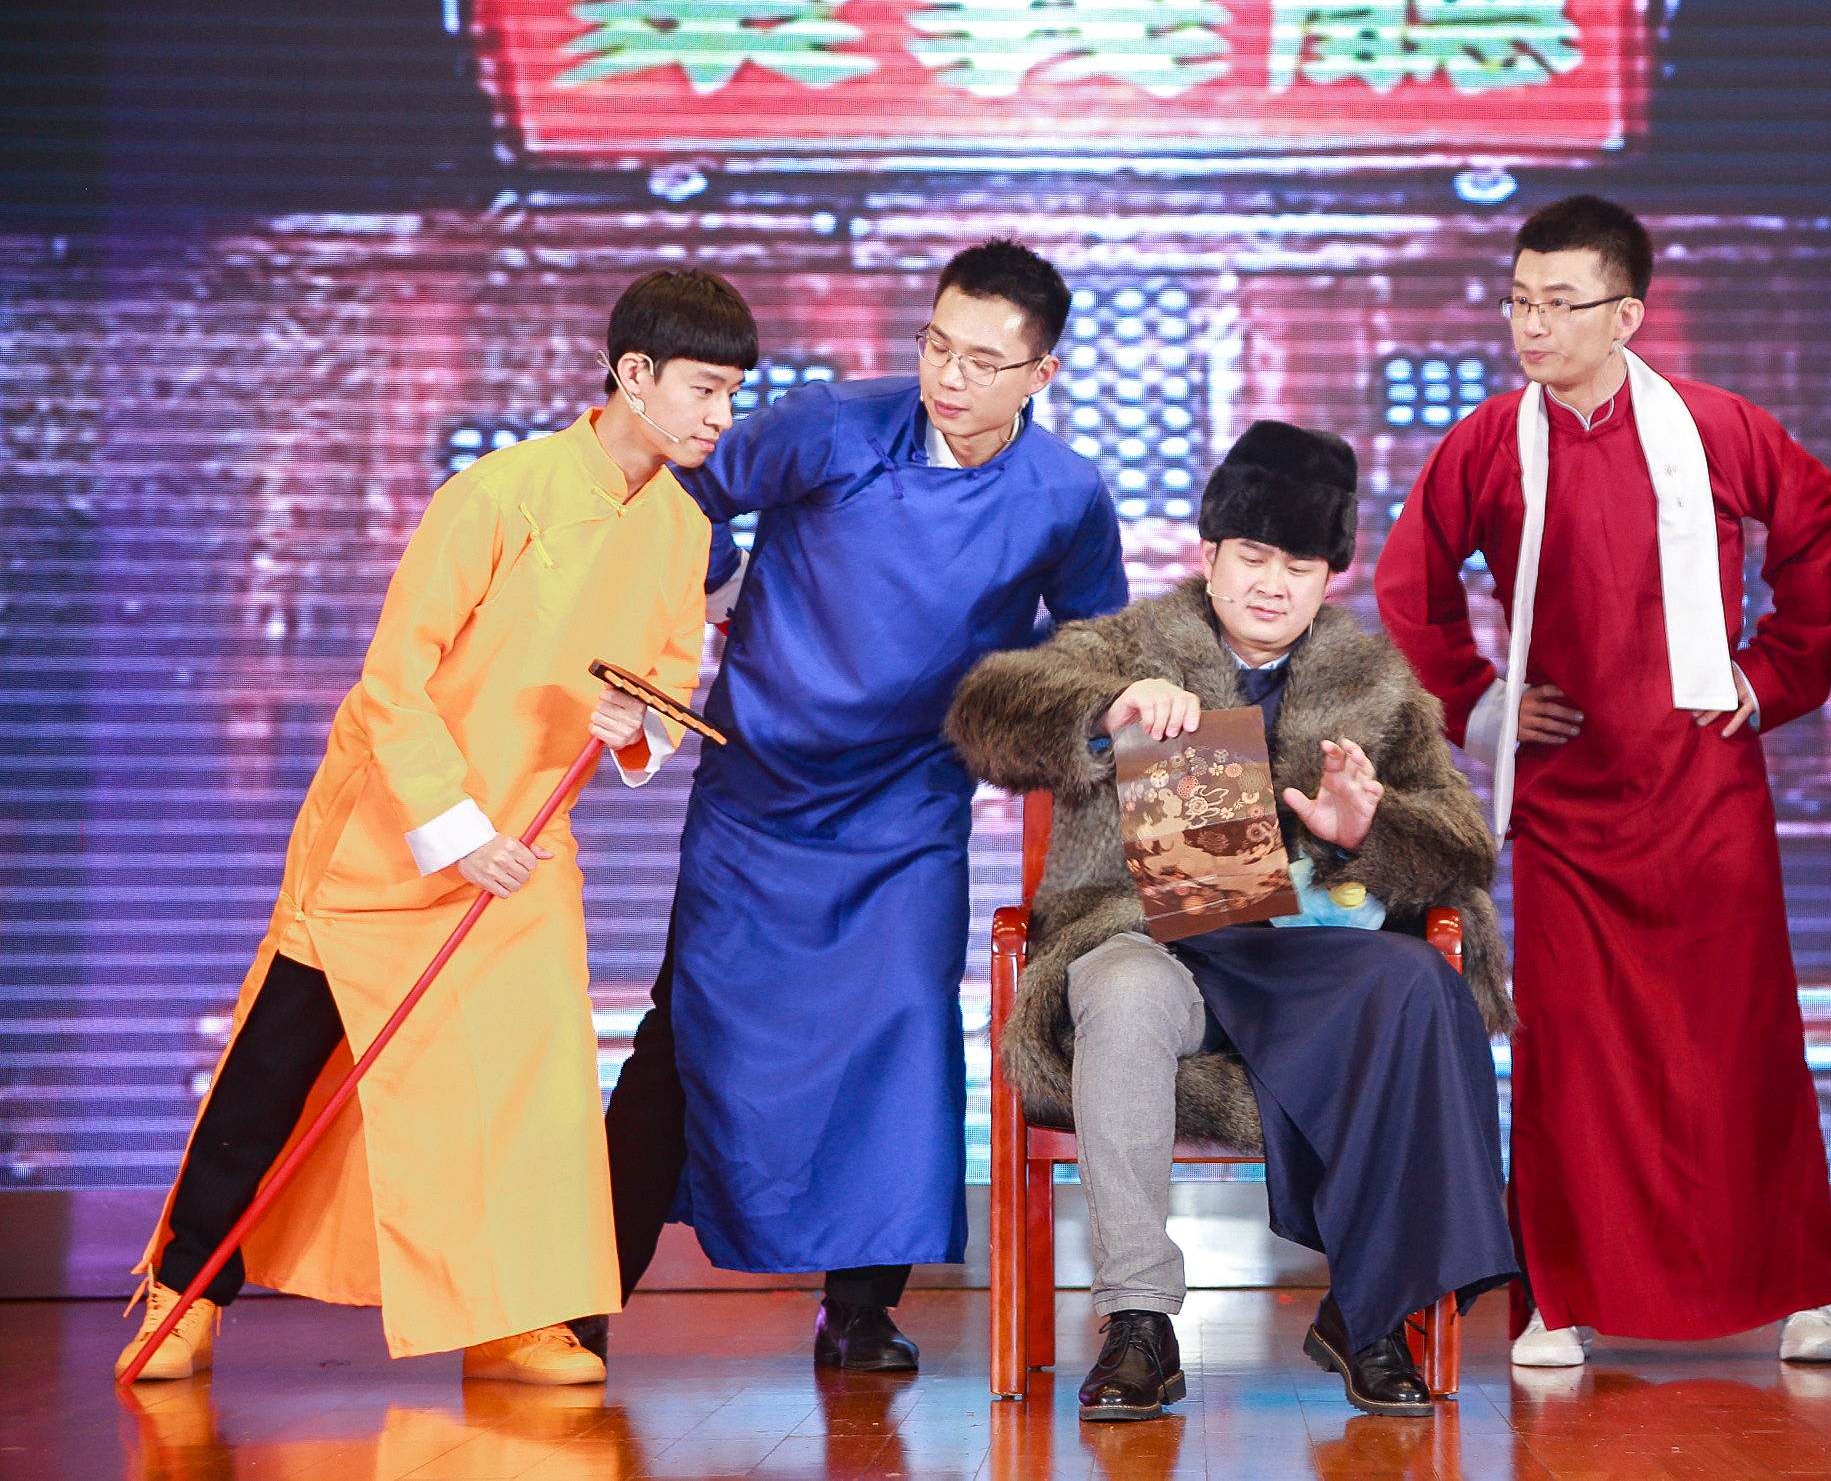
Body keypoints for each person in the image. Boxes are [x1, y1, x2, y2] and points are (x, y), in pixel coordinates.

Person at [117, 269, 757, 1384]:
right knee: (279, 1067)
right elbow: (392, 683)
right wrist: (459, 832)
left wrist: (635, 730)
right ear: (633, 373)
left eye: (733, 394)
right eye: (704, 389)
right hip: (391, 834)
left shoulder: (677, 528)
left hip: (530, 848)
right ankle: (186, 1290)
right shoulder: (496, 495)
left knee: (531, 1093)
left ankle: (520, 1313)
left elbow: (660, 688)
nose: (720, 416)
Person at [601, 239, 1128, 1370]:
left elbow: (1095, 640)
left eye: (984, 361)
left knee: (900, 1037)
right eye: (938, 345)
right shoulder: (830, 424)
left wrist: (1054, 707)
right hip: (759, 792)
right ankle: (578, 1296)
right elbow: (687, 484)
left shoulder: (1066, 493)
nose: (950, 376)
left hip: (906, 807)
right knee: (686, 1032)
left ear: (1040, 375)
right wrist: (711, 583)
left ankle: (860, 1307)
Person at [947, 421, 1517, 1422]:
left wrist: (1367, 830)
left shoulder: (1376, 683)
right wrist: (1111, 706)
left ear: (1329, 576)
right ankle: (1138, 1319)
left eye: (1298, 566)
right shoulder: (1128, 645)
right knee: (1123, 990)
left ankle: (1372, 1309)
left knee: (1418, 981)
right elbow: (986, 710)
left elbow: (1464, 845)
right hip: (1148, 940)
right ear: (1209, 553)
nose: (1271, 585)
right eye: (1252, 556)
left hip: (1306, 965)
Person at [1374, 195, 1831, 1365]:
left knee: (1741, 1039)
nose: (1531, 325)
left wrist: (1768, 674)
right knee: (1572, 1056)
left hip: (1704, 784)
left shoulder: (1717, 426)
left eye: (1559, 303)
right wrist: (1482, 701)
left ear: (1626, 314)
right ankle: (1563, 1295)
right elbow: (1409, 586)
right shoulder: (1489, 441)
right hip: (1569, 798)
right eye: (1518, 302)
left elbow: (1822, 534)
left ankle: (1795, 1286)